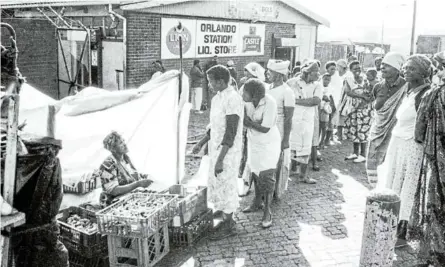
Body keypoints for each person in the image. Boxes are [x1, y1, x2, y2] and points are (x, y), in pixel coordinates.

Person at [377, 55, 432, 248]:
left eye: (412, 69)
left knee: (407, 187)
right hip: (397, 143)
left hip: (411, 146)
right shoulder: (410, 91)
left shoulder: (426, 94)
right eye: (405, 68)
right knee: (392, 182)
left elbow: (426, 126)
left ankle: (402, 233)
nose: (406, 72)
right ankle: (388, 224)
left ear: (423, 73)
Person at [192, 65, 243, 240]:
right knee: (218, 183)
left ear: (221, 81)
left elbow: (231, 131)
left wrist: (221, 159)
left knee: (227, 185)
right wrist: (201, 143)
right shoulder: (217, 99)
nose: (210, 85)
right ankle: (222, 215)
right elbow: (214, 127)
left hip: (228, 152)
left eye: (211, 81)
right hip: (216, 149)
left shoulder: (233, 99)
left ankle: (229, 224)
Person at [410, 76, 445, 267]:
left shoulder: (434, 94)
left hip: (437, 162)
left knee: (435, 206)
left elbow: (418, 133)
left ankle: (436, 252)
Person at [241, 79, 281, 228]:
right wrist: (248, 122)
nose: (242, 94)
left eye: (245, 92)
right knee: (255, 171)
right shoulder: (246, 101)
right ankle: (257, 202)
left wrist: (248, 122)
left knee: (267, 175)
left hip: (269, 143)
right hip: (254, 141)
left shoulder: (270, 103)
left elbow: (265, 128)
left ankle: (267, 211)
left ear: (255, 95)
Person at [366, 52, 406, 185]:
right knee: (372, 160)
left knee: (390, 163)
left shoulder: (406, 86)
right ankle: (374, 189)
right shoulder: (378, 86)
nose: (382, 67)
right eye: (382, 64)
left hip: (395, 132)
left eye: (387, 65)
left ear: (397, 69)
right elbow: (376, 109)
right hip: (377, 129)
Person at [287, 61, 322, 184]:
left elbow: (316, 101)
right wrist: (299, 101)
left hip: (308, 121)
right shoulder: (292, 82)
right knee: (291, 145)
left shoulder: (317, 85)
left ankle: (303, 175)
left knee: (306, 146)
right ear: (307, 73)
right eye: (315, 72)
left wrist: (295, 101)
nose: (318, 75)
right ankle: (290, 171)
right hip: (293, 119)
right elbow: (286, 99)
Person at [98, 131, 154, 208]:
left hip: (129, 198)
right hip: (114, 204)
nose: (125, 144)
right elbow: (114, 190)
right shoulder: (108, 165)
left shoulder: (125, 158)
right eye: (121, 143)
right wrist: (138, 184)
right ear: (113, 149)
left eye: (123, 141)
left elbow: (131, 175)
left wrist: (145, 176)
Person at [266, 59, 295, 199]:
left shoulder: (287, 91)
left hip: (280, 128)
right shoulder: (267, 88)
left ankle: (276, 191)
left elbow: (289, 118)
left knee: (278, 160)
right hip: (266, 128)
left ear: (278, 74)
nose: (267, 74)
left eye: (270, 72)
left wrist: (286, 139)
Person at [238, 62, 266, 196]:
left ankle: (255, 186)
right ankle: (246, 182)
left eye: (248, 73)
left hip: (258, 128)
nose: (245, 75)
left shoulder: (262, 89)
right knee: (245, 154)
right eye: (245, 72)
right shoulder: (243, 87)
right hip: (245, 126)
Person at [342, 61, 373, 163]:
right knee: (354, 129)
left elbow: (371, 91)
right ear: (351, 70)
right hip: (353, 107)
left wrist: (365, 99)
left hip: (365, 107)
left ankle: (363, 154)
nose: (357, 70)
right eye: (355, 69)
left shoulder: (366, 78)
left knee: (363, 129)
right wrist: (361, 96)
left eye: (359, 68)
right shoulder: (348, 79)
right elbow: (348, 92)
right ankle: (355, 153)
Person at [330, 59, 350, 142]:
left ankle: (340, 135)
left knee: (342, 117)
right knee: (336, 117)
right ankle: (336, 135)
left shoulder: (347, 76)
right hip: (338, 98)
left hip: (345, 99)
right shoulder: (336, 76)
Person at [319, 73, 333, 148]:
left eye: (328, 80)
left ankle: (322, 142)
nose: (327, 81)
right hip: (318, 108)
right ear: (322, 79)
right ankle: (316, 142)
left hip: (325, 109)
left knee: (324, 126)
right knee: (318, 126)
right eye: (325, 79)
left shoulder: (330, 88)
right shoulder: (318, 86)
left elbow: (330, 98)